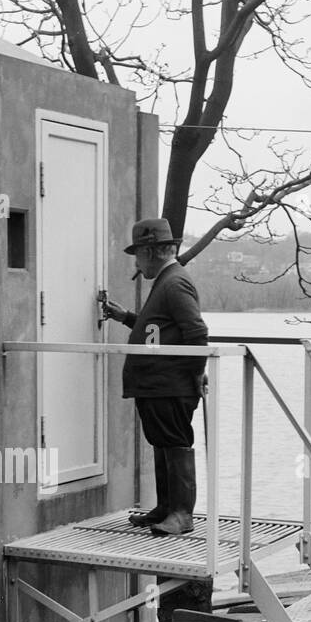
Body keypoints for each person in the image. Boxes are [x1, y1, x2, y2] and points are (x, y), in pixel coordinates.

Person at [102, 218, 208, 536]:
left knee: (174, 443)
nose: (136, 263)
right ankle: (166, 507)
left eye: (137, 254)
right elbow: (158, 330)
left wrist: (196, 375)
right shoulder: (166, 281)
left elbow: (197, 332)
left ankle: (181, 515)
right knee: (162, 443)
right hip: (157, 384)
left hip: (170, 384)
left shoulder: (174, 283)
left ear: (150, 252)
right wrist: (127, 318)